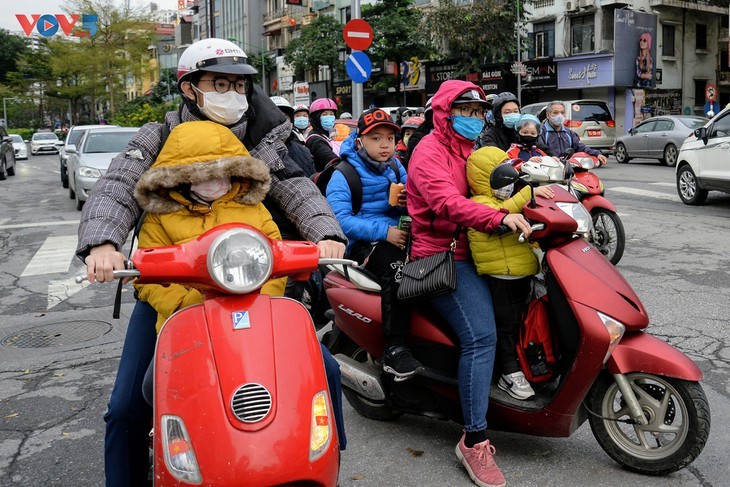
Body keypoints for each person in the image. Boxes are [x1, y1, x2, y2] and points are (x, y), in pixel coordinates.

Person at [77, 38, 347, 487]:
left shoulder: (261, 134)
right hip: (172, 291)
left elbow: (296, 189)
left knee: (326, 370)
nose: (232, 95)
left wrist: (328, 236)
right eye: (219, 83)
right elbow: (118, 184)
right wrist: (103, 243)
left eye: (240, 86)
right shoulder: (158, 136)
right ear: (189, 89)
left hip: (251, 282)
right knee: (127, 404)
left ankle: (325, 460)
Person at [407, 79, 532, 487]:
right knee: (481, 337)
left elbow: (494, 183)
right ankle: (474, 440)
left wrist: (535, 188)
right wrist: (498, 218)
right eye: (465, 111)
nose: (474, 119)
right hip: (441, 258)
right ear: (445, 113)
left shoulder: (470, 151)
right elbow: (446, 202)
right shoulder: (429, 151)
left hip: (475, 249)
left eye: (479, 112)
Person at [133, 120, 287, 401]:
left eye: (225, 173)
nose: (216, 182)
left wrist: (257, 300)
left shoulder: (254, 208)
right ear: (181, 178)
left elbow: (276, 259)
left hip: (256, 319)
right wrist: (189, 306)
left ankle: (331, 445)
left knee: (323, 369)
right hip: (187, 324)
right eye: (204, 175)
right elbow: (148, 276)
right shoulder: (160, 218)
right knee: (149, 390)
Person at [326, 108, 421, 380]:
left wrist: (408, 203)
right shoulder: (343, 174)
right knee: (398, 271)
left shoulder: (395, 166)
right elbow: (341, 220)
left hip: (399, 235)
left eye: (390, 138)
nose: (384, 145)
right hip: (364, 245)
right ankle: (395, 348)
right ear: (359, 141)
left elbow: (414, 197)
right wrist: (385, 231)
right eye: (376, 138)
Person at [466, 146, 555, 401]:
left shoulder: (503, 198)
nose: (510, 181)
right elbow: (499, 216)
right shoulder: (479, 203)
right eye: (503, 175)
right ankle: (508, 372)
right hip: (500, 277)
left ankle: (526, 364)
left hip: (519, 274)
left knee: (522, 324)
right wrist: (529, 193)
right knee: (506, 326)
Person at [537, 101, 608, 166]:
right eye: (555, 113)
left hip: (569, 168)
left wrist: (597, 154)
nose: (559, 115)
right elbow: (540, 151)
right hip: (550, 169)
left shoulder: (569, 133)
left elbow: (580, 147)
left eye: (562, 113)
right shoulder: (541, 132)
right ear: (548, 115)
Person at [271, 96, 316, 177]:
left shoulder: (303, 151)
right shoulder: (257, 153)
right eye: (275, 116)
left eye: (285, 116)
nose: (281, 120)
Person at [306, 97, 341, 172]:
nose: (329, 117)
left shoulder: (326, 135)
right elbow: (333, 160)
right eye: (324, 114)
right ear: (316, 117)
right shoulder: (315, 139)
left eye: (331, 114)